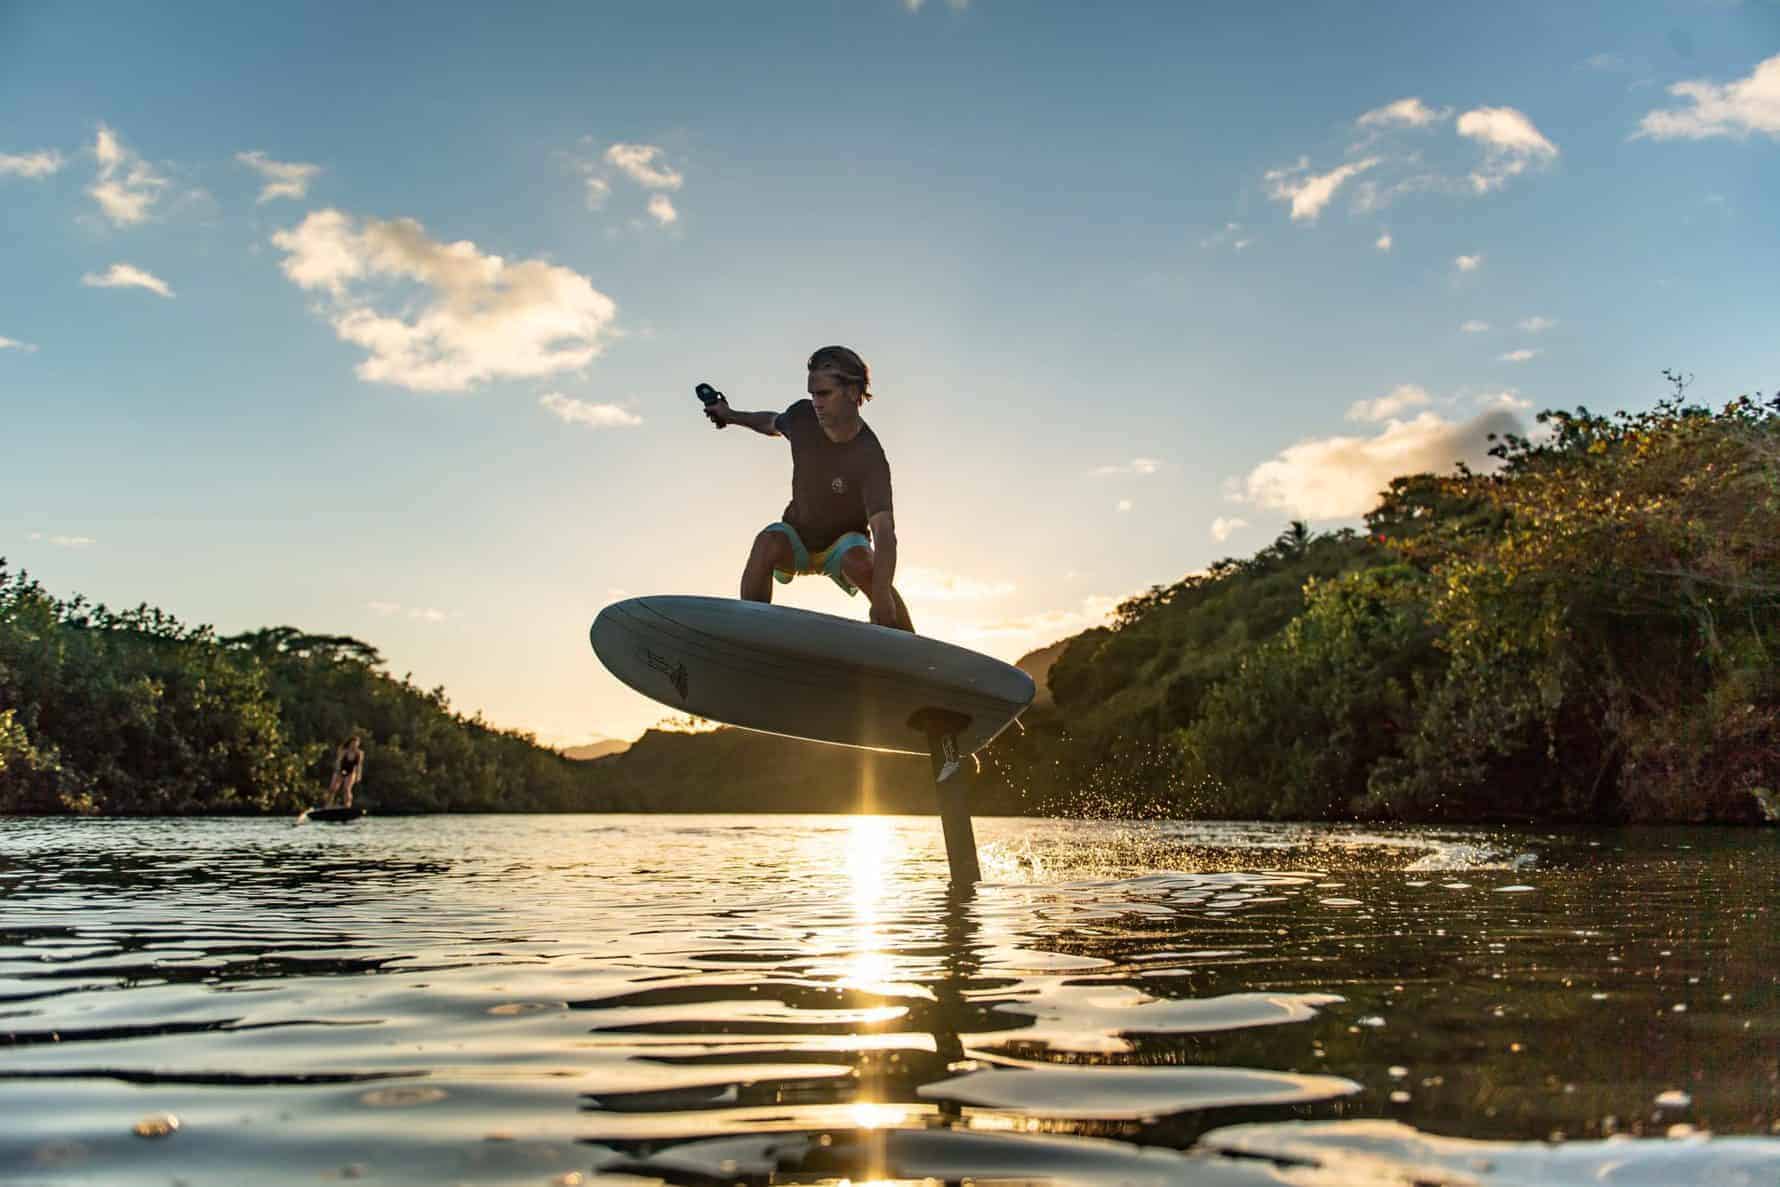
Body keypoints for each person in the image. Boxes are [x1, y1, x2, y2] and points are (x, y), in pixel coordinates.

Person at [701, 346, 914, 632]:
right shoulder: (803, 417)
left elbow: (885, 533)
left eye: (824, 394)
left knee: (868, 569)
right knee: (767, 542)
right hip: (798, 538)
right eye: (813, 393)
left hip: (843, 546)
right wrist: (729, 414)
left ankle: (911, 649)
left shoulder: (869, 455)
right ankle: (752, 635)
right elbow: (770, 422)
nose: (816, 402)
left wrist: (882, 597)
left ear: (853, 392)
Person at [327, 735, 365, 807]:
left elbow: (359, 765)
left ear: (358, 744)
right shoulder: (344, 751)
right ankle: (328, 805)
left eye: (356, 744)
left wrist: (358, 775)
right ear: (350, 743)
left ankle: (347, 806)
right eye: (353, 743)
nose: (354, 745)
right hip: (340, 771)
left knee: (347, 789)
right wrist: (338, 771)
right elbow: (338, 761)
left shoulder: (359, 753)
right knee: (332, 788)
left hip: (351, 772)